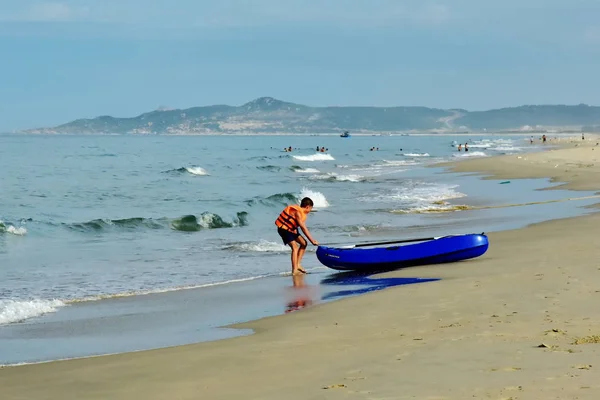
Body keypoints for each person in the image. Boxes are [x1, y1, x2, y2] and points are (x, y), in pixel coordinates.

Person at [275, 197, 319, 275]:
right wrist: (312, 240)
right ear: (307, 207)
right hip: (284, 230)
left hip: (291, 229)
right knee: (295, 247)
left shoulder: (301, 213)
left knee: (304, 243)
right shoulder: (298, 212)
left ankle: (298, 264)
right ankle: (294, 270)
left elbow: (300, 226)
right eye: (310, 209)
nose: (309, 211)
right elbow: (303, 228)